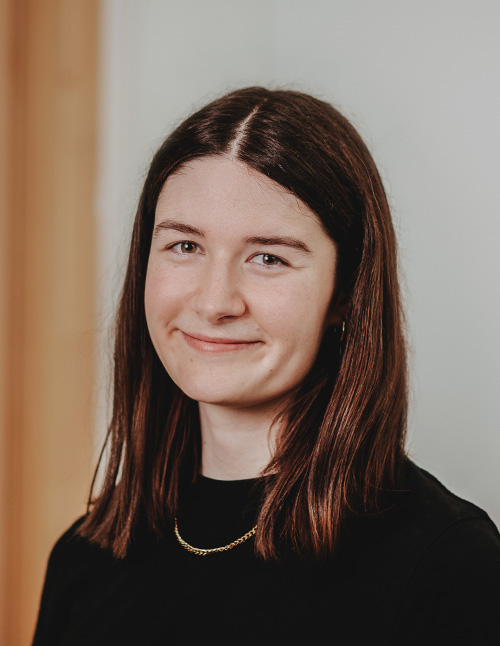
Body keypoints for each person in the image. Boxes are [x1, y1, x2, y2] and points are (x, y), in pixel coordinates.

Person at [33, 87, 500, 645]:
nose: (215, 302)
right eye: (185, 246)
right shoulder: (84, 560)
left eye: (268, 257)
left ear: (345, 293)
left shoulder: (446, 564)